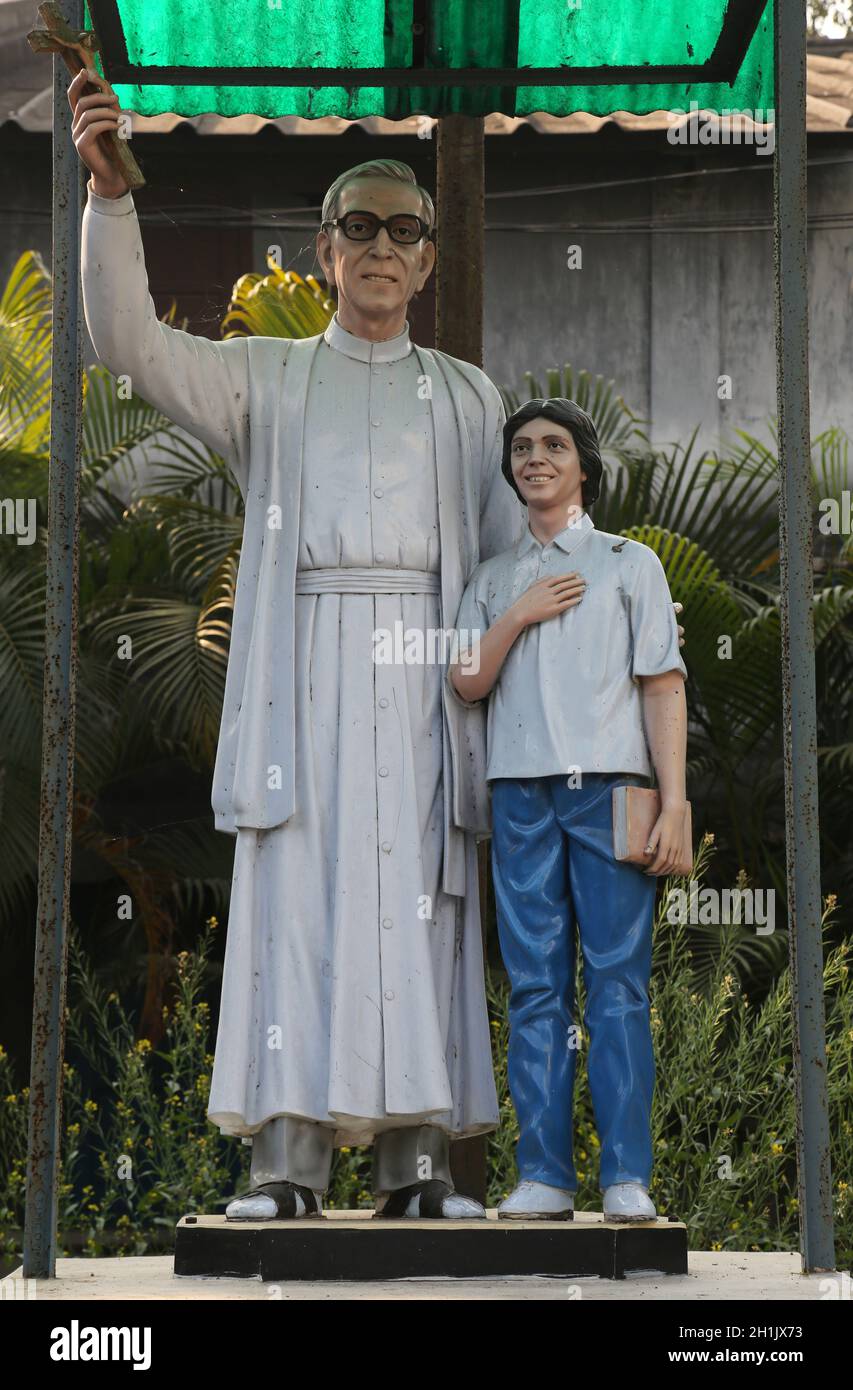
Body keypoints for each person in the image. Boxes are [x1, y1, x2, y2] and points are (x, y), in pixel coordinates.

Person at [70, 68, 525, 1220]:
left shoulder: (471, 398)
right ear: (325, 251)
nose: (382, 246)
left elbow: (513, 564)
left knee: (422, 901)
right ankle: (284, 1166)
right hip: (298, 667)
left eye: (404, 230)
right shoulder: (263, 379)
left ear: (427, 262)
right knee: (298, 900)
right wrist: (111, 197)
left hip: (426, 676)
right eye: (360, 226)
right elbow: (128, 344)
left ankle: (419, 1165)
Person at [449, 398, 688, 1222]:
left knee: (617, 985)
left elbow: (661, 685)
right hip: (520, 795)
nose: (534, 458)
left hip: (613, 791)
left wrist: (675, 803)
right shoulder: (490, 578)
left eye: (553, 445)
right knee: (534, 989)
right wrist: (520, 612)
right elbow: (465, 680)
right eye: (521, 447)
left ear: (584, 465)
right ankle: (543, 1176)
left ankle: (626, 1176)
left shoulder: (630, 564)